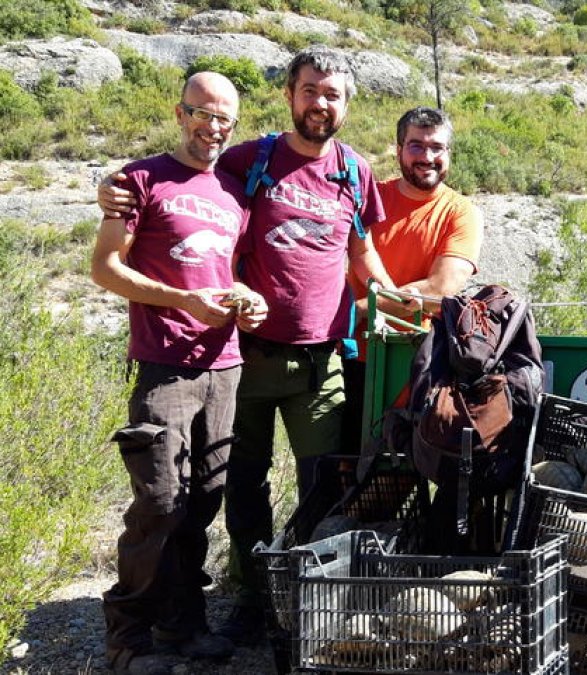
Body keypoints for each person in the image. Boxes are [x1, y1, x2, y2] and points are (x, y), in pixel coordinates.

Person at [99, 46, 398, 645]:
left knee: (322, 484)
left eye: (332, 94)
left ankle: (308, 596)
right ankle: (252, 595)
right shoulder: (249, 158)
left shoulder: (354, 171)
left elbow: (362, 252)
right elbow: (183, 175)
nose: (320, 103)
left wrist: (400, 300)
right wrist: (110, 186)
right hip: (246, 355)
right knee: (240, 486)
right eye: (309, 90)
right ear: (289, 95)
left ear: (347, 104)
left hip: (320, 360)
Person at [91, 72, 267, 675]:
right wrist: (182, 301)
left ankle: (184, 624)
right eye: (202, 113)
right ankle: (127, 638)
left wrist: (247, 299)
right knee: (160, 502)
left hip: (225, 366)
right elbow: (106, 269)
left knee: (202, 502)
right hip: (164, 364)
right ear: (180, 113)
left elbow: (225, 272)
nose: (213, 127)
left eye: (224, 119)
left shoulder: (234, 192)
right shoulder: (139, 180)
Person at [341, 106, 482, 455]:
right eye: (416, 145)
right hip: (351, 359)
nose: (427, 157)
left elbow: (441, 288)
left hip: (417, 365)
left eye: (437, 147)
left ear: (449, 152)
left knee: (404, 468)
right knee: (339, 464)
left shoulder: (461, 213)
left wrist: (362, 309)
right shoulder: (369, 200)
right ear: (399, 149)